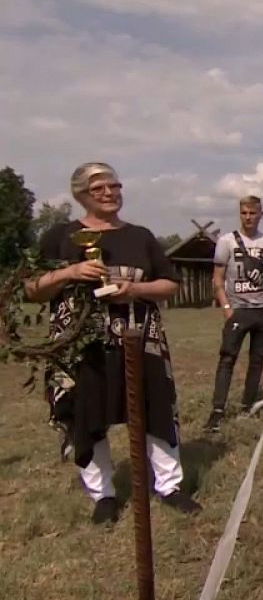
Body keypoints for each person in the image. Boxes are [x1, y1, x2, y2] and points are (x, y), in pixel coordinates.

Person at [23, 162, 202, 524]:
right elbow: (31, 289)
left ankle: (169, 486)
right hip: (82, 345)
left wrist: (133, 289)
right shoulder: (61, 236)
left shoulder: (141, 237)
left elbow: (168, 284)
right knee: (87, 411)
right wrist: (70, 272)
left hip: (142, 338)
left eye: (114, 186)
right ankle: (102, 495)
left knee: (156, 408)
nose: (109, 193)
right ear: (80, 195)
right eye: (99, 188)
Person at [203, 195, 263, 433]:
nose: (248, 217)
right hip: (238, 310)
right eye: (244, 213)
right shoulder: (226, 241)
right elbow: (217, 278)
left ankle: (248, 404)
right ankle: (218, 411)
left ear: (260, 214)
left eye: (252, 213)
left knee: (257, 361)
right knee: (227, 360)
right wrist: (226, 307)